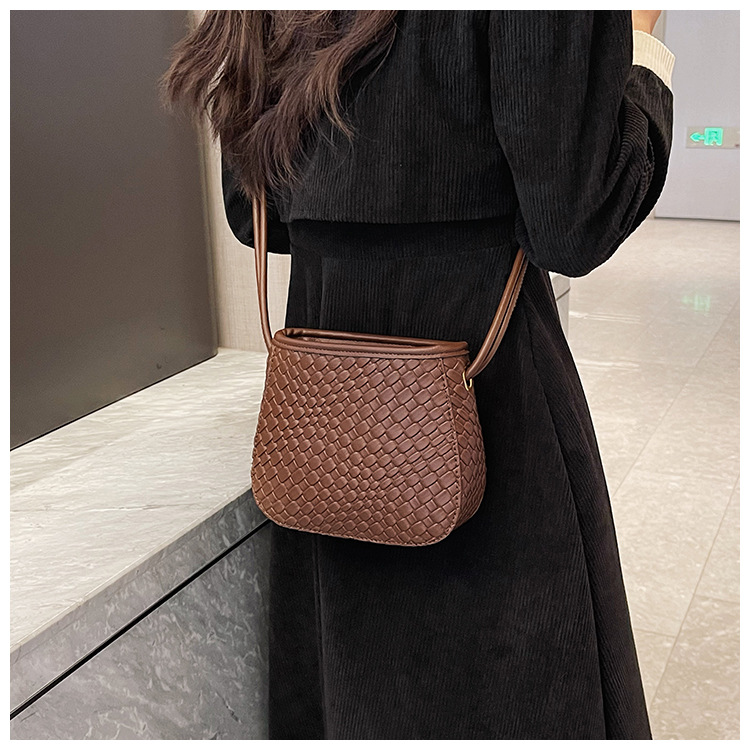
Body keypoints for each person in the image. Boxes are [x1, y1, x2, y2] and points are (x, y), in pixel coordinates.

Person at [163, 10, 674, 740]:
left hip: (331, 402)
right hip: (489, 392)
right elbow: (573, 223)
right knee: (513, 695)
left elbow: (254, 212)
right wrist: (643, 50)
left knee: (363, 698)